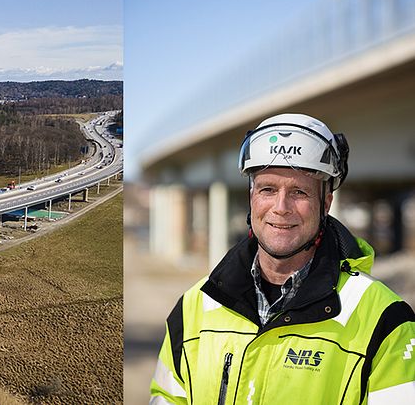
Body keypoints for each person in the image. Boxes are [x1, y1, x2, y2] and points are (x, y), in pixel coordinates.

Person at [149, 114, 415, 404]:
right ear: (252, 197)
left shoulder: (385, 321)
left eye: (299, 192)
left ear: (325, 203)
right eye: (268, 189)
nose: (281, 207)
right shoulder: (193, 308)